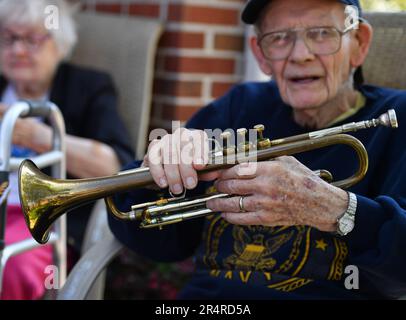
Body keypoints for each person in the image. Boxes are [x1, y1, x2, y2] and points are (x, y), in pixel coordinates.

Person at [108, 0, 406, 299]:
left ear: (359, 43)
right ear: (261, 56)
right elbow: (159, 244)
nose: (300, 55)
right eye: (279, 38)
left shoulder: (396, 119)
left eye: (321, 33)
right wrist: (159, 172)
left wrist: (338, 210)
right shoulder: (241, 105)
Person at [0, 0, 134, 299]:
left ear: (58, 44)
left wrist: (42, 135)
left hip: (45, 228)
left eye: (32, 39)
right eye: (9, 38)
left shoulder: (88, 87)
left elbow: (117, 166)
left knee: (12, 265)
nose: (18, 50)